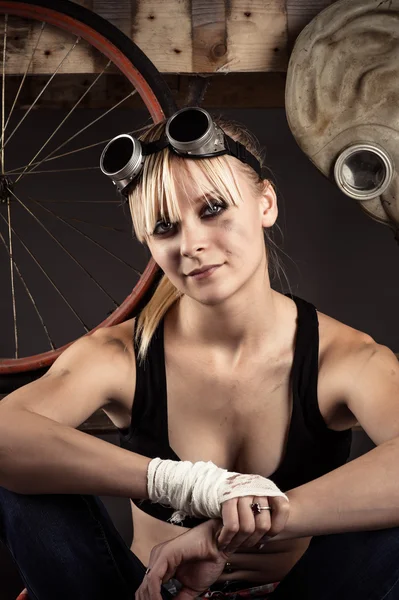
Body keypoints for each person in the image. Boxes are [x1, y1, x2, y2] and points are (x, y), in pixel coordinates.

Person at [0, 106, 398, 600]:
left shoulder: (345, 358)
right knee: (19, 474)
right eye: (165, 227)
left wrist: (255, 517)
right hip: (147, 594)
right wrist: (185, 485)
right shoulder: (119, 355)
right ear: (148, 241)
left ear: (266, 204)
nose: (191, 244)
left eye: (212, 210)